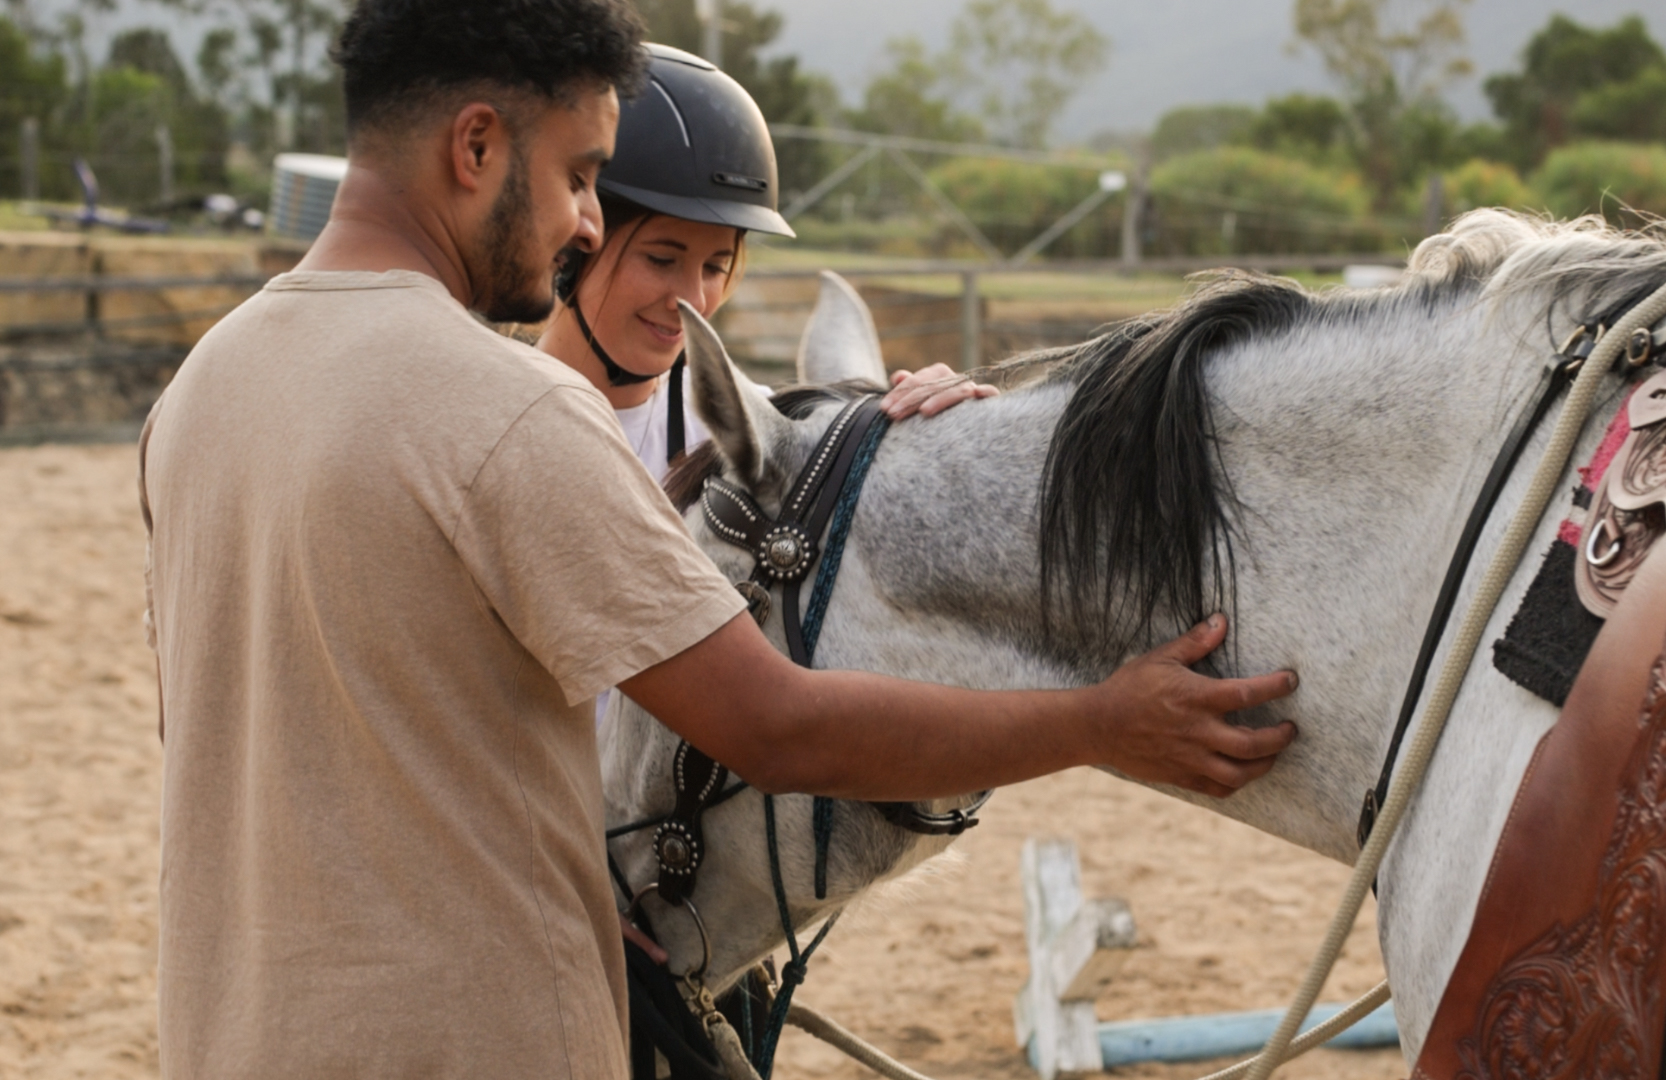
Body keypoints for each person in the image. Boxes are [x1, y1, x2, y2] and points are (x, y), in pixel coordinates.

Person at [138, 2, 1300, 1076]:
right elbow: (774, 725)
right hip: (474, 1037)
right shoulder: (509, 414)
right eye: (579, 175)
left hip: (240, 1031)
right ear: (477, 145)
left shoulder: (201, 392)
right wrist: (1099, 724)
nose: (585, 218)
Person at [537, 44, 996, 485]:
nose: (694, 301)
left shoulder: (754, 436)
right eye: (661, 259)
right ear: (575, 243)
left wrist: (929, 428)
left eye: (715, 268)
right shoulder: (506, 423)